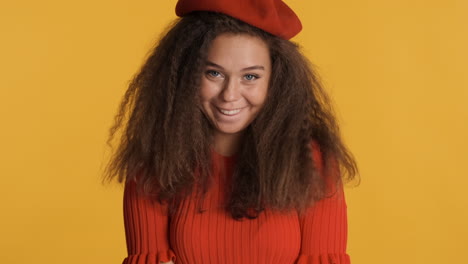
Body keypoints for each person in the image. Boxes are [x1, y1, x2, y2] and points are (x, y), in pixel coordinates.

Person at [104, 0, 359, 263]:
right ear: (185, 73)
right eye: (214, 73)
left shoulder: (313, 161)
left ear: (277, 81)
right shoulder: (156, 164)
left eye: (250, 77)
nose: (230, 95)